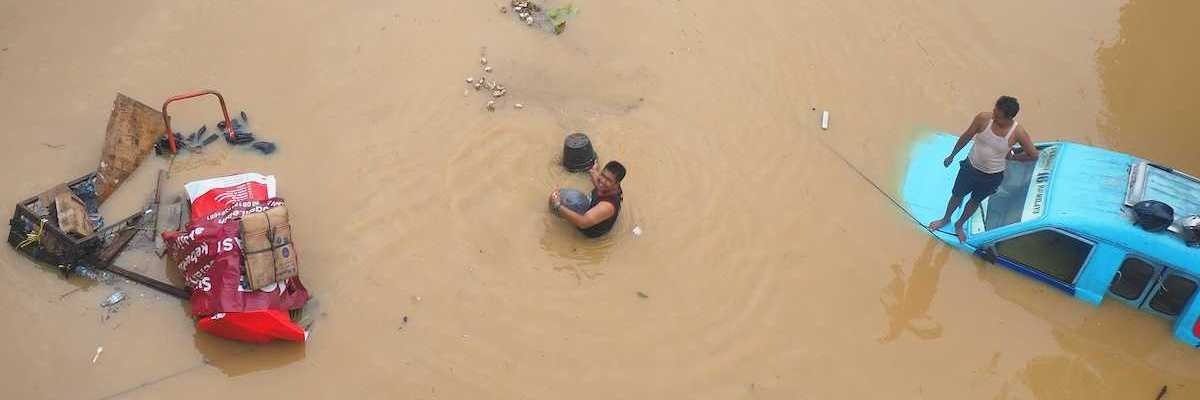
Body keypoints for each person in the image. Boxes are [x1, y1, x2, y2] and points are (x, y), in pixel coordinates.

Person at [928, 96, 1039, 242]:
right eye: (994, 111)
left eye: (998, 116)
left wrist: (1013, 158)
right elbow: (967, 136)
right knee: (956, 195)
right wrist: (952, 155)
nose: (994, 116)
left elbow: (1033, 155)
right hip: (970, 167)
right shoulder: (983, 119)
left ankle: (959, 224)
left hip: (992, 176)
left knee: (975, 201)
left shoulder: (1017, 133)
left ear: (1009, 118)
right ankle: (945, 219)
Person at [549, 161, 626, 238]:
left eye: (608, 180)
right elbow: (598, 182)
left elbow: (582, 223)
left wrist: (558, 205)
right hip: (590, 209)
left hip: (588, 229)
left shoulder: (607, 206)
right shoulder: (607, 186)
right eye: (602, 175)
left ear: (616, 184)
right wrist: (593, 170)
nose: (602, 181)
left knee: (566, 203)